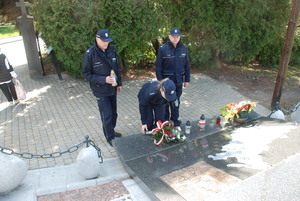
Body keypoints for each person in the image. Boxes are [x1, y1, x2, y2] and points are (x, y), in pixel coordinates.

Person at [82, 29, 122, 147]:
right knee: (107, 114)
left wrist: (119, 83)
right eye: (104, 41)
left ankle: (112, 130)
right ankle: (109, 137)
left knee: (114, 113)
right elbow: (86, 74)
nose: (106, 43)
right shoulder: (90, 54)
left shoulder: (112, 50)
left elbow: (117, 68)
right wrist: (103, 79)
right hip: (100, 90)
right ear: (97, 39)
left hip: (112, 88)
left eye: (108, 41)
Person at [155, 28, 190, 129]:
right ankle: (166, 121)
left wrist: (187, 79)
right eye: (173, 37)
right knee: (165, 102)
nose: (175, 39)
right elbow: (158, 67)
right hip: (167, 82)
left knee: (176, 101)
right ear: (169, 36)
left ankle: (176, 121)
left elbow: (187, 65)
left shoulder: (184, 48)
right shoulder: (163, 49)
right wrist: (160, 82)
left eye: (177, 37)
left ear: (179, 37)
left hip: (179, 81)